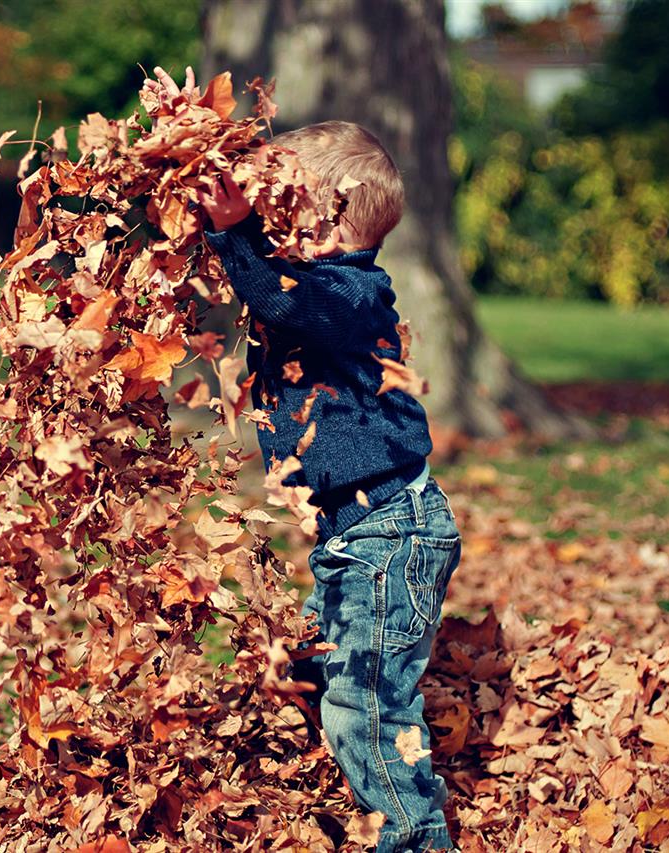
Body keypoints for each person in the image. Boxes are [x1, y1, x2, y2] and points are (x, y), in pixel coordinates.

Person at [165, 68, 463, 852]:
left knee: (365, 708)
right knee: (308, 664)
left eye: (278, 207)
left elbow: (283, 299)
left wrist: (235, 236)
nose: (264, 219)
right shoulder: (316, 283)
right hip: (355, 538)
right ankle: (312, 782)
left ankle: (416, 838)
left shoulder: (351, 292)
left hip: (390, 536)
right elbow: (273, 289)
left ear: (328, 223)